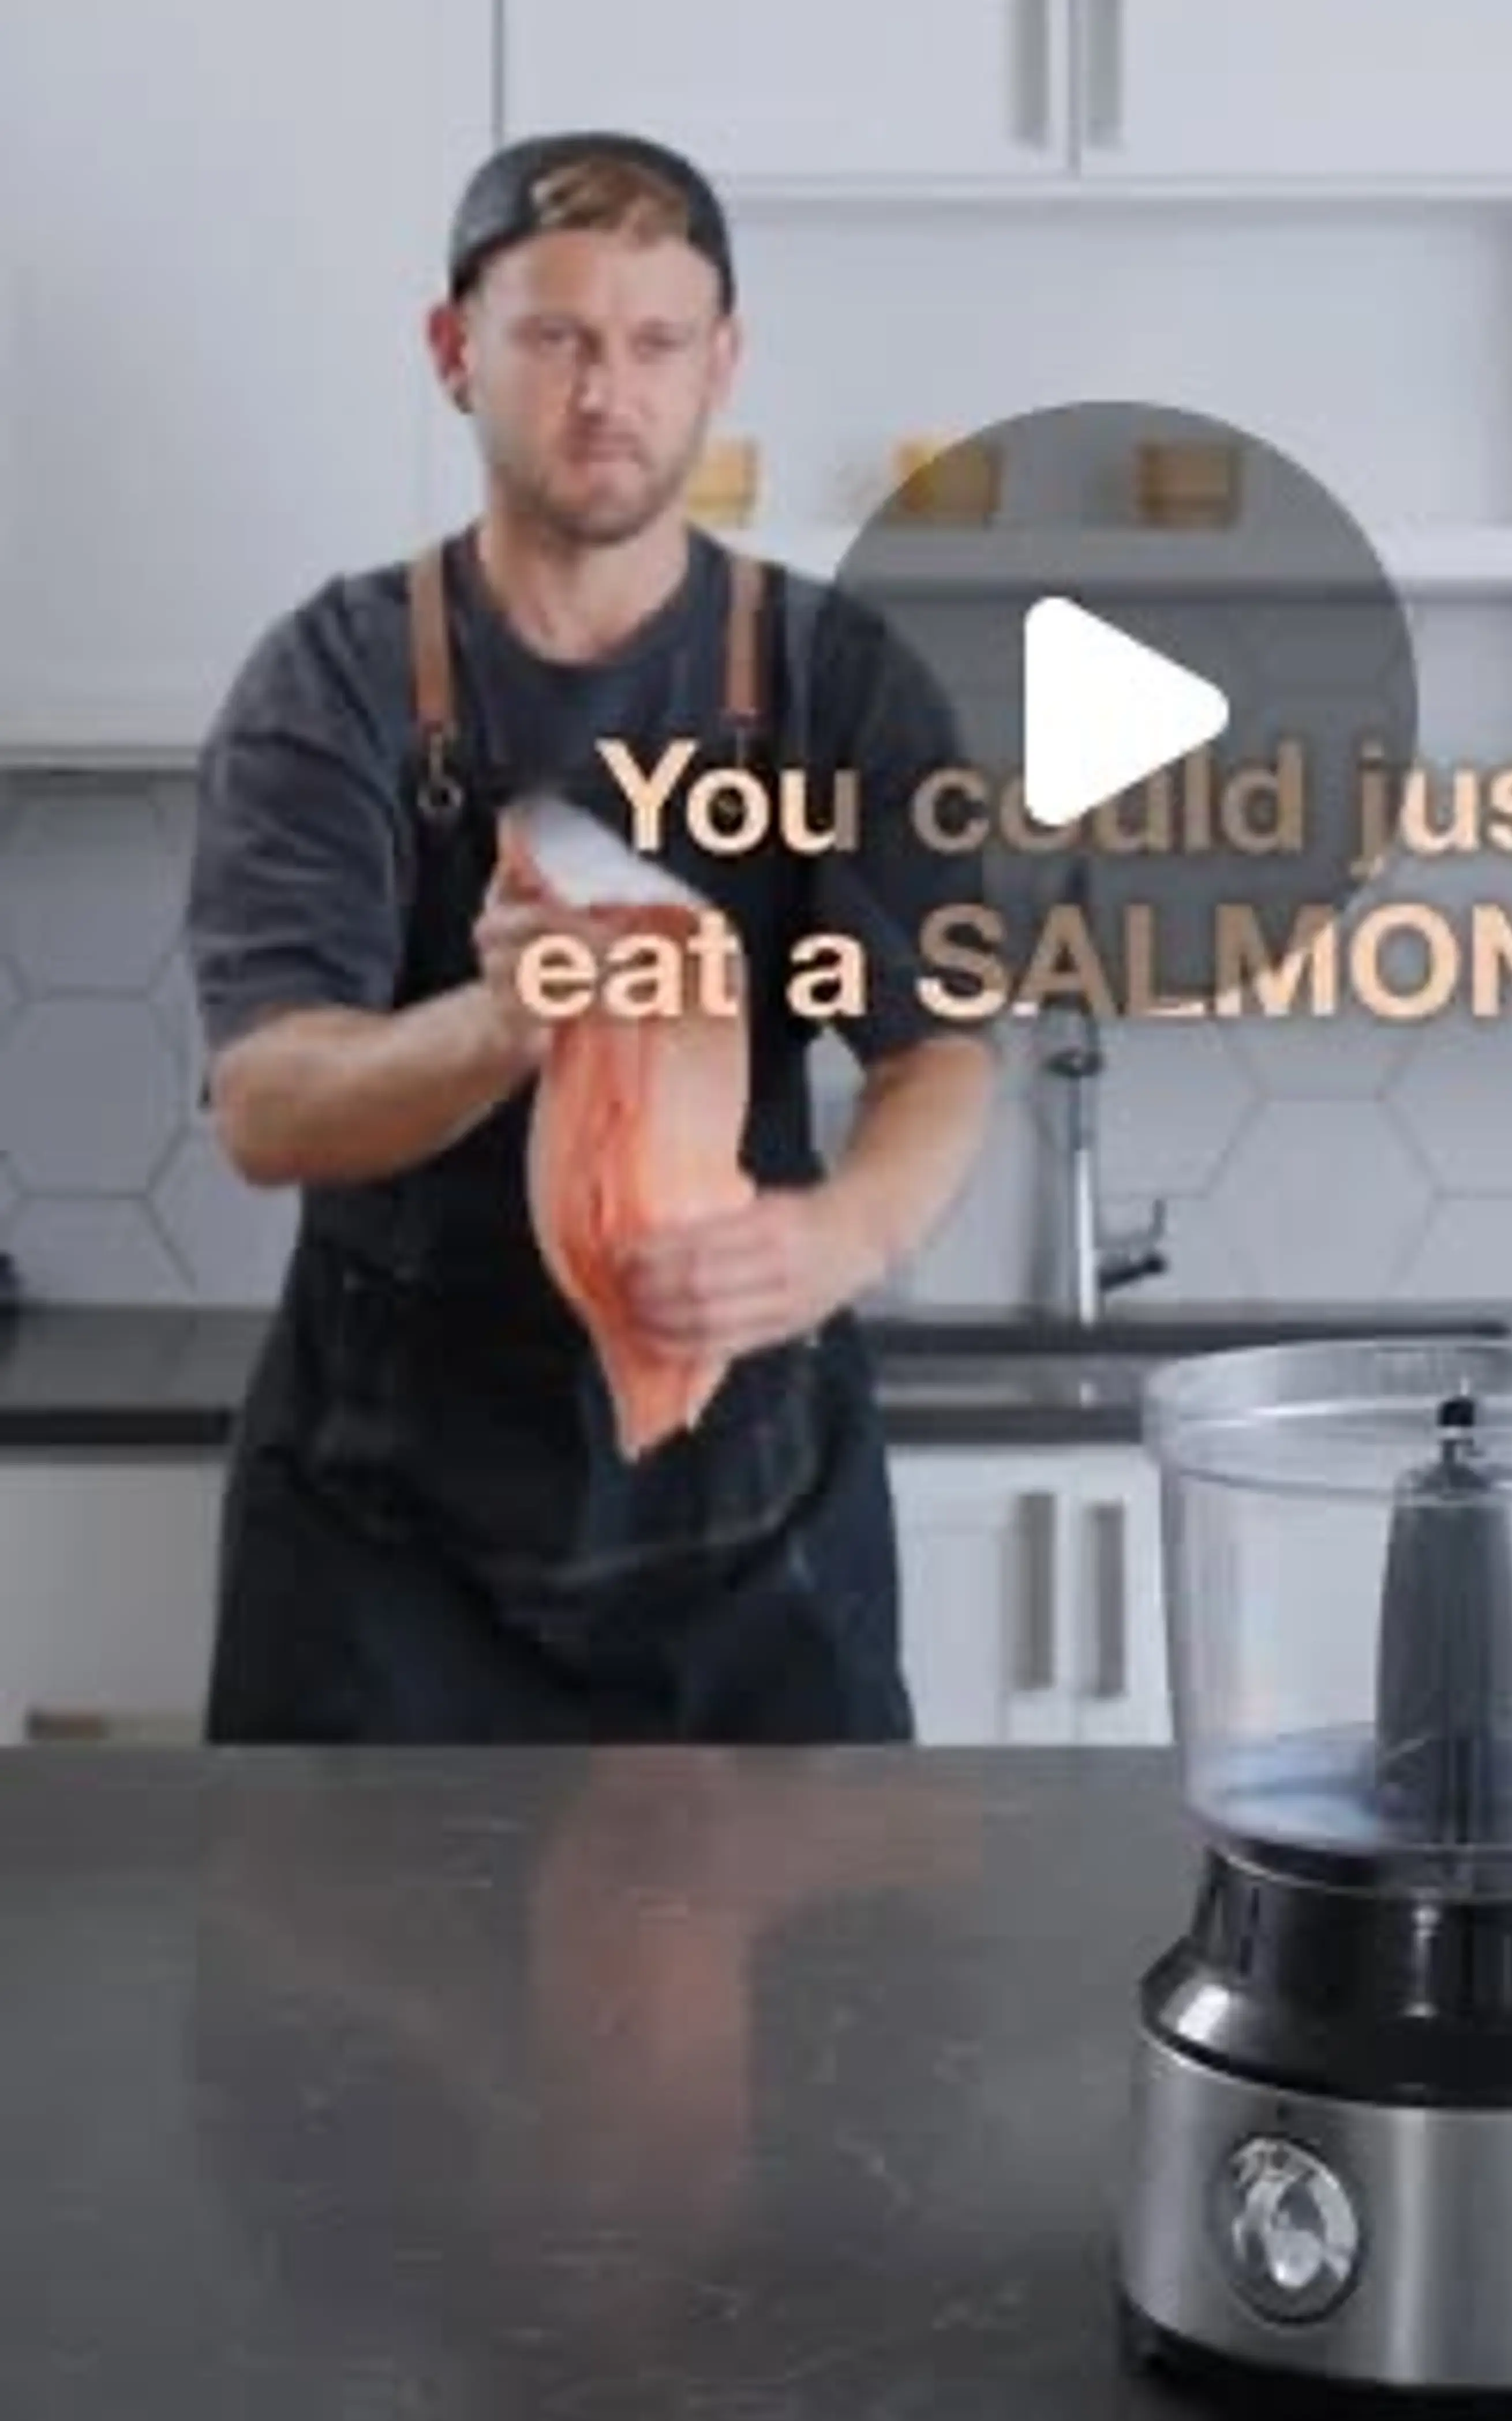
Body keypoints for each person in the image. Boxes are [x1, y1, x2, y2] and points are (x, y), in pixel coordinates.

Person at [186, 129, 998, 1742]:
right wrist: (496, 1022)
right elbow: (268, 1106)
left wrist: (839, 1242)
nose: (604, 393)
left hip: (753, 1514)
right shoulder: (335, 683)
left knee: (790, 2001)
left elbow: (940, 1050)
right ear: (455, 351)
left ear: (722, 365)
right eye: (554, 337)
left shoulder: (843, 680)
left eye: (653, 343)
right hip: (382, 1541)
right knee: (346, 1998)